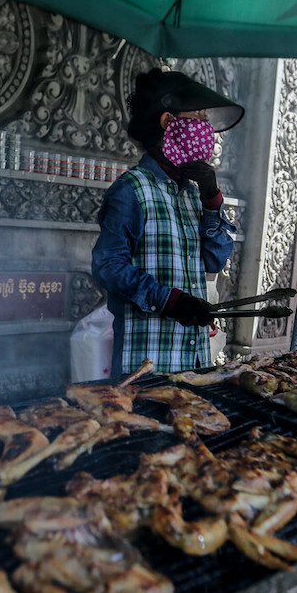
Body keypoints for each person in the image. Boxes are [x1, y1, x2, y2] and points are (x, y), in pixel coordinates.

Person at [92, 69, 244, 377]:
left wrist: (212, 198)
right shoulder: (131, 190)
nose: (206, 127)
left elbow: (215, 258)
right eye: (199, 116)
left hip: (195, 363)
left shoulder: (191, 191)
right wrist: (169, 300)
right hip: (148, 368)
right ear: (168, 122)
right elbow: (106, 265)